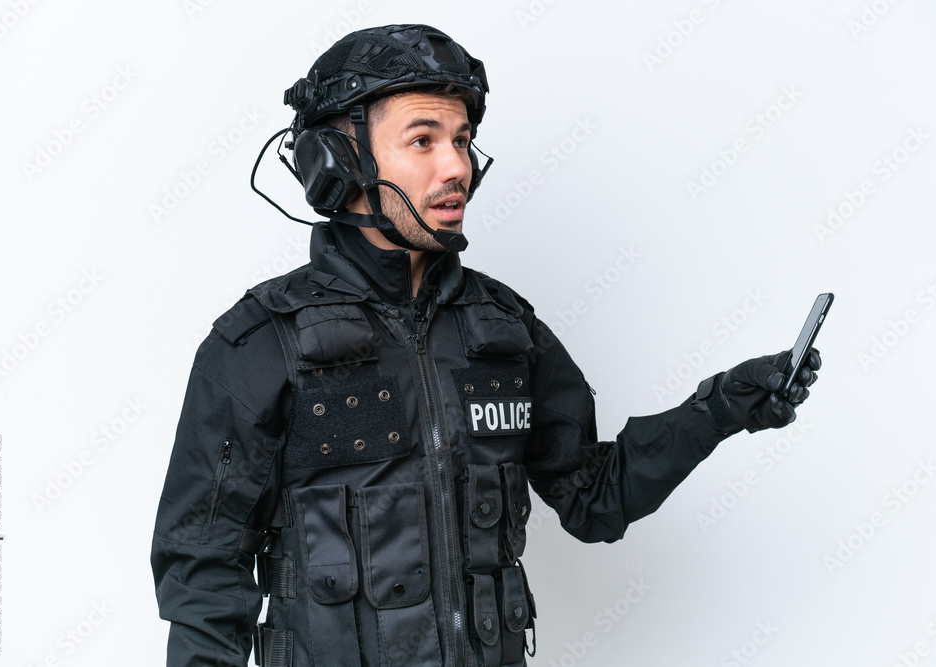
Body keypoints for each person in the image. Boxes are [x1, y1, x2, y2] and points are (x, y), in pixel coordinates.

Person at [150, 24, 821, 667]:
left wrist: (720, 409)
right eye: (423, 140)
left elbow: (596, 498)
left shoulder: (504, 330)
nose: (457, 168)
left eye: (463, 140)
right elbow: (203, 574)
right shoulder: (260, 342)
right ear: (336, 163)